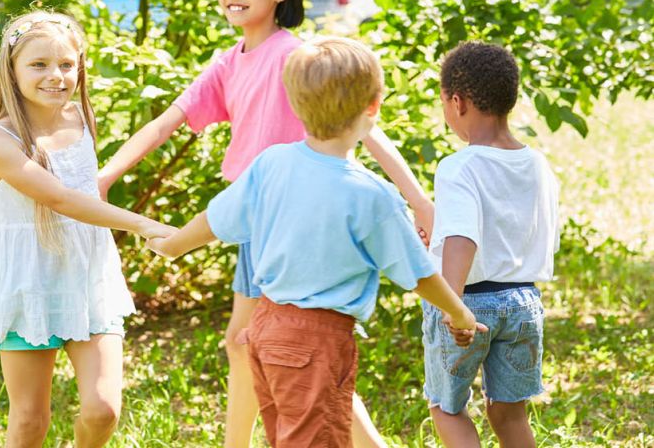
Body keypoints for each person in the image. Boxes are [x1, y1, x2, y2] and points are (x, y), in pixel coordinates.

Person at [98, 0, 433, 448]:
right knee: (252, 343)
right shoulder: (228, 62)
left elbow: (367, 127)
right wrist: (106, 176)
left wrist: (417, 197)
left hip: (293, 219)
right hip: (258, 217)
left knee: (270, 346)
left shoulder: (295, 57)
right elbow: (167, 122)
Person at [146, 36, 482, 447]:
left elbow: (215, 219)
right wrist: (459, 312)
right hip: (317, 339)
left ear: (294, 103)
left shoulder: (271, 163)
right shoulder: (371, 195)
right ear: (373, 106)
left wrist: (173, 245)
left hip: (265, 326)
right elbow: (419, 273)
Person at [0, 11, 174, 448]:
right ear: (11, 70)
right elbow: (60, 199)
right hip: (28, 282)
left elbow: (88, 190)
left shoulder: (77, 117)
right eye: (38, 65)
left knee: (103, 410)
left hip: (87, 279)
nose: (55, 76)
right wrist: (142, 224)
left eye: (66, 65)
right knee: (29, 421)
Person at [422, 40, 559, 448]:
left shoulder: (459, 166)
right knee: (509, 411)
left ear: (457, 102)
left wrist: (453, 306)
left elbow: (464, 237)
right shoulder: (537, 164)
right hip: (523, 303)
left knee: (447, 409)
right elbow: (529, 231)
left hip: (468, 305)